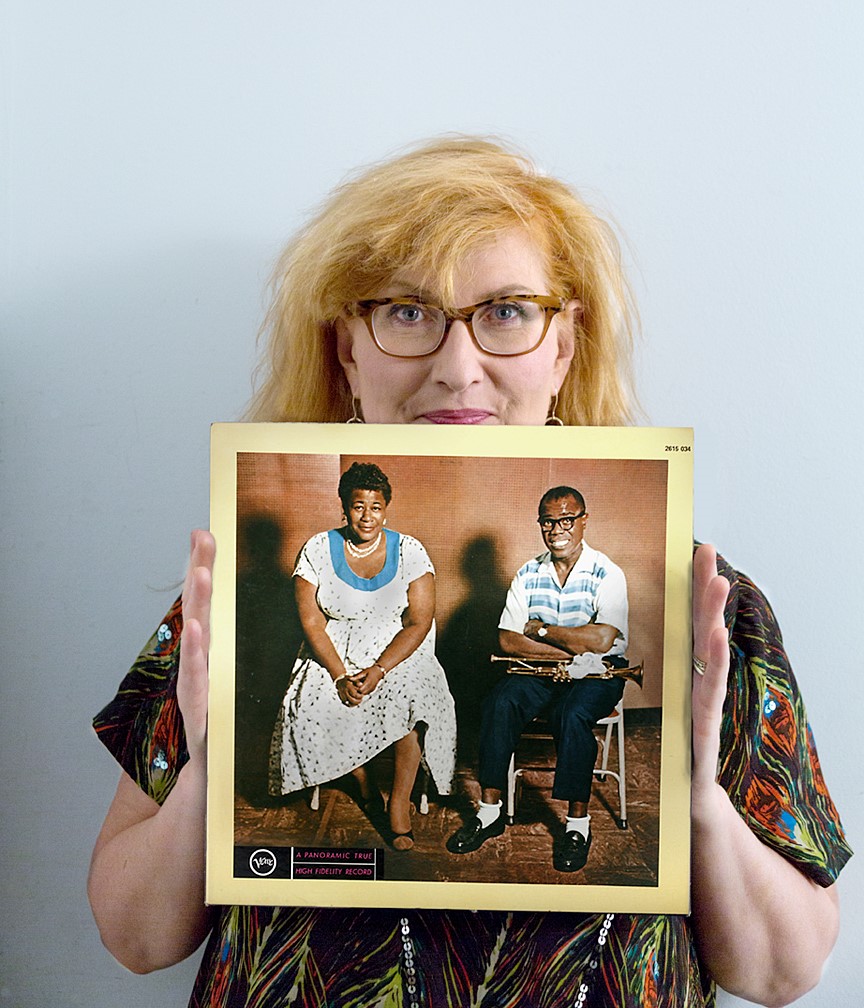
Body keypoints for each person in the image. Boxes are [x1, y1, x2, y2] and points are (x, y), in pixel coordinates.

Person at [88, 137, 850, 1007]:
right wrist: (206, 776)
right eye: (406, 313)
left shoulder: (707, 603)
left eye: (508, 311)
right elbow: (135, 938)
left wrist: (698, 801)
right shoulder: (214, 600)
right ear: (347, 353)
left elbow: (784, 973)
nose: (457, 367)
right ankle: (482, 807)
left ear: (564, 348)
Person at [269, 461, 456, 849]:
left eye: (375, 506)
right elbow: (312, 621)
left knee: (414, 696)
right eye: (358, 506)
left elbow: (419, 622)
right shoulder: (318, 549)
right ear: (344, 507)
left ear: (386, 508)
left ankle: (399, 803)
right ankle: (364, 781)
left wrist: (380, 669)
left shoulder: (410, 551)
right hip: (334, 650)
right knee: (308, 704)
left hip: (397, 650)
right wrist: (338, 674)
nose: (367, 515)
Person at [446, 485, 628, 872]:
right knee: (500, 702)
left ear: (583, 521)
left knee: (573, 713)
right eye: (549, 521)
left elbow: (602, 639)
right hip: (543, 670)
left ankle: (577, 826)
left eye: (566, 520)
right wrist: (571, 653)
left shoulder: (607, 572)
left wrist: (542, 631)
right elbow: (508, 639)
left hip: (600, 673)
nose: (557, 529)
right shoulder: (529, 573)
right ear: (541, 525)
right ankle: (490, 812)